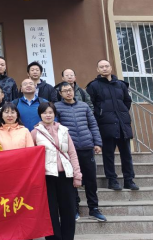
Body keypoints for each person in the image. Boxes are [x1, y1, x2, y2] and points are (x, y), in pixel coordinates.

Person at [55, 82, 106, 222]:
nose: (68, 92)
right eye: (65, 91)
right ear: (60, 94)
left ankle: (94, 208)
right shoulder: (57, 107)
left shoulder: (84, 106)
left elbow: (93, 125)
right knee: (72, 180)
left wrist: (97, 143)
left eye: (70, 90)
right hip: (68, 151)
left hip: (86, 147)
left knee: (90, 180)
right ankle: (74, 209)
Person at [32, 102, 82, 240]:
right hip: (47, 176)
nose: (48, 115)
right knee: (50, 211)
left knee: (68, 210)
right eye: (44, 112)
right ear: (40, 115)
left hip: (66, 175)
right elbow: (32, 157)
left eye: (50, 112)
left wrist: (77, 175)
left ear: (54, 114)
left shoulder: (64, 130)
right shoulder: (35, 133)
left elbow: (72, 153)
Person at [87, 60, 138, 191]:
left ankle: (129, 180)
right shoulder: (93, 86)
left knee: (126, 154)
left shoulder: (121, 85)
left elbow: (127, 101)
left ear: (111, 68)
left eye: (106, 66)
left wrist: (122, 113)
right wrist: (101, 115)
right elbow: (90, 105)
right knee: (108, 154)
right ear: (98, 70)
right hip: (105, 125)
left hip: (122, 124)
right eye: (101, 67)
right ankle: (112, 180)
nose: (104, 68)